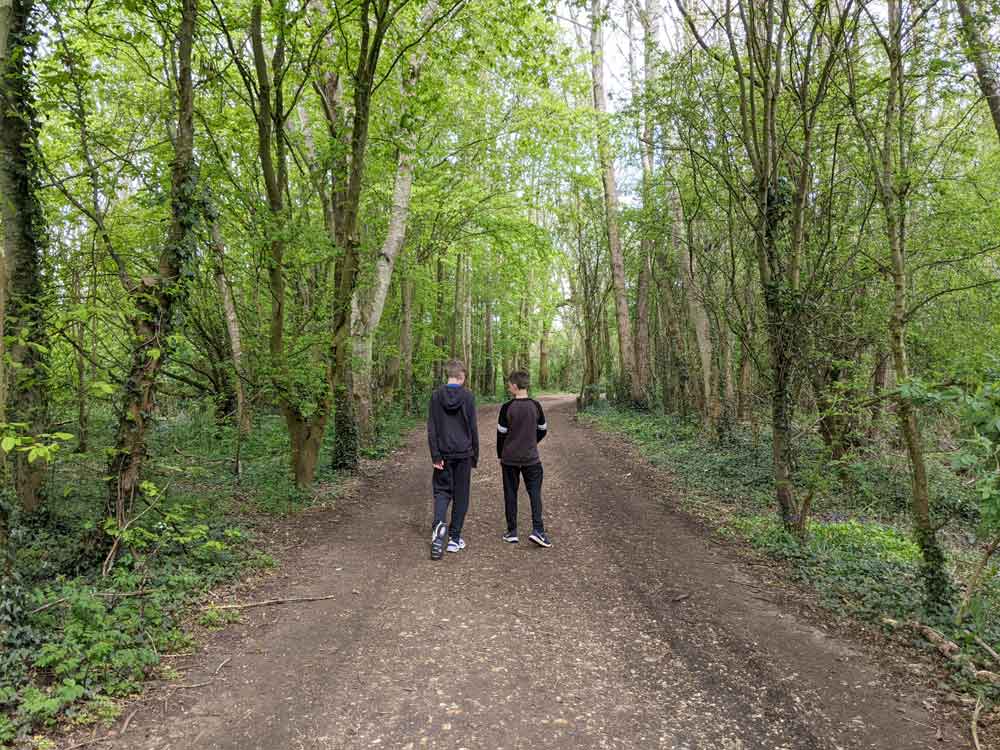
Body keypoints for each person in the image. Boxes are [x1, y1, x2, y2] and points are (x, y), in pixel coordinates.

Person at [427, 359, 479, 560]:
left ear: (447, 375)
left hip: (443, 454)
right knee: (461, 495)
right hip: (463, 453)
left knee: (441, 493)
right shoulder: (468, 396)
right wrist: (475, 454)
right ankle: (454, 539)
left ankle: (439, 531)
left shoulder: (435, 396)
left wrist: (435, 455)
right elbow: (472, 427)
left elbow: (432, 428)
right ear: (462, 376)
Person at [496, 371, 551, 547]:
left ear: (514, 386)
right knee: (534, 493)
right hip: (531, 458)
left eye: (508, 384)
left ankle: (512, 532)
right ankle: (538, 530)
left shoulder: (507, 407)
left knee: (510, 493)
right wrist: (531, 442)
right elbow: (543, 429)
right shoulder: (536, 406)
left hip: (510, 458)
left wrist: (501, 454)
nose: (507, 386)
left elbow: (501, 435)